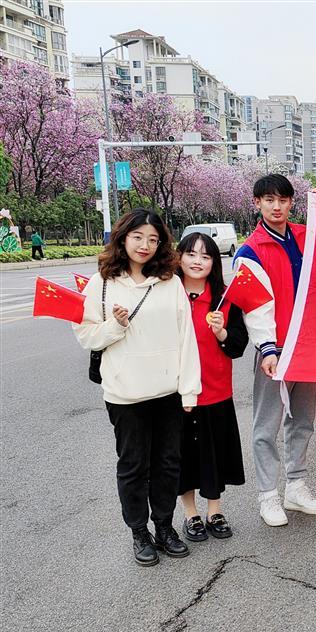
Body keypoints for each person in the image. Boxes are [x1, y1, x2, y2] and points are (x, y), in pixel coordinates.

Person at [73, 209, 201, 567]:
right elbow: (86, 336)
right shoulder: (101, 283)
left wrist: (189, 389)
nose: (145, 245)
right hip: (125, 395)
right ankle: (139, 532)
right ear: (123, 237)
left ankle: (164, 526)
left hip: (168, 393)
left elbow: (186, 338)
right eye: (138, 237)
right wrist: (115, 326)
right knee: (133, 466)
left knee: (167, 464)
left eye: (153, 239)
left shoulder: (170, 282)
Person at [234, 174, 316, 527]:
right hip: (275, 350)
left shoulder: (306, 237)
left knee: (302, 420)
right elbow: (255, 305)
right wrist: (267, 349)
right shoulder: (250, 252)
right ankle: (268, 494)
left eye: (283, 200)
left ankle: (296, 486)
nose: (276, 207)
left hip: (308, 347)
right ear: (256, 203)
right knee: (266, 425)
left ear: (291, 203)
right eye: (269, 200)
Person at [176, 232, 248, 542]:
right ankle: (190, 514)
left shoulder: (225, 300)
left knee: (214, 453)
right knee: (184, 456)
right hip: (178, 391)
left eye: (205, 256)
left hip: (216, 390)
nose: (197, 261)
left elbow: (238, 346)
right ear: (179, 257)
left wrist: (221, 333)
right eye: (191, 254)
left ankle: (214, 511)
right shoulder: (167, 295)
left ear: (214, 263)